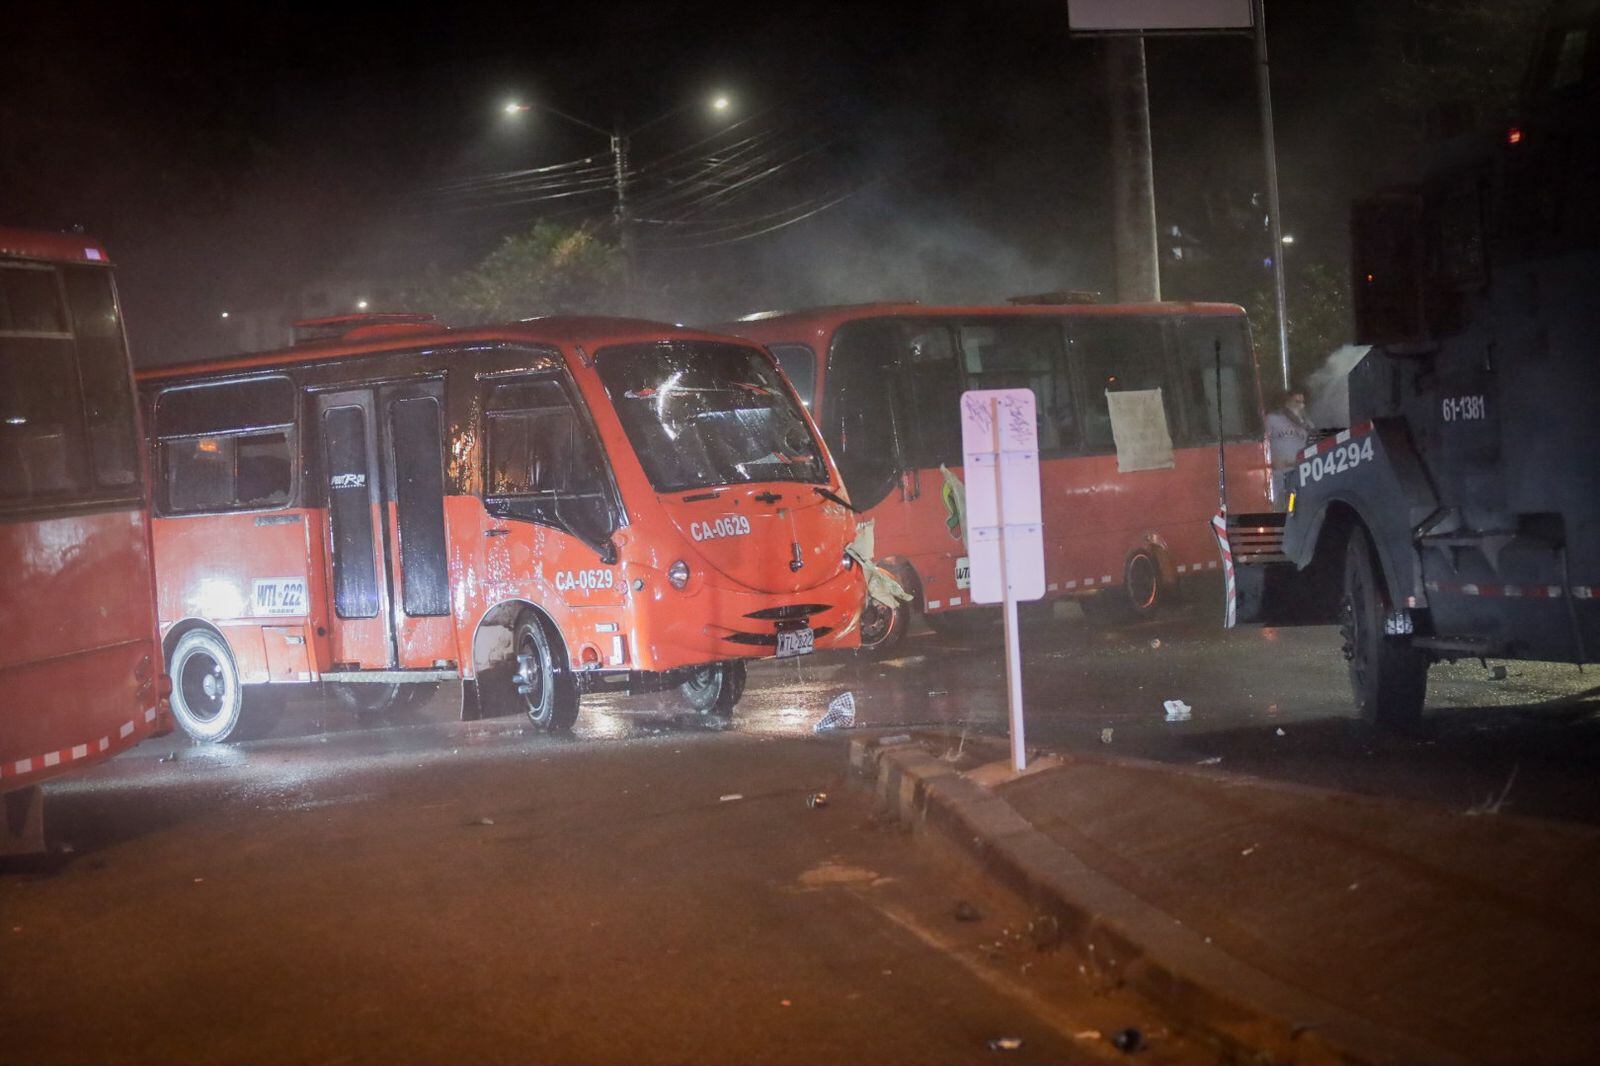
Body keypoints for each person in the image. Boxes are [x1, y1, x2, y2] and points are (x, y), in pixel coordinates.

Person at [1265, 388, 1313, 506]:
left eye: (1302, 402)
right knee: (1281, 506)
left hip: (1299, 474)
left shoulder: (1307, 425)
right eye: (1296, 402)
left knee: (1294, 506)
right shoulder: (1272, 419)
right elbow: (1262, 442)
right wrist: (1270, 461)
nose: (1300, 406)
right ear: (1287, 402)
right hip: (1280, 475)